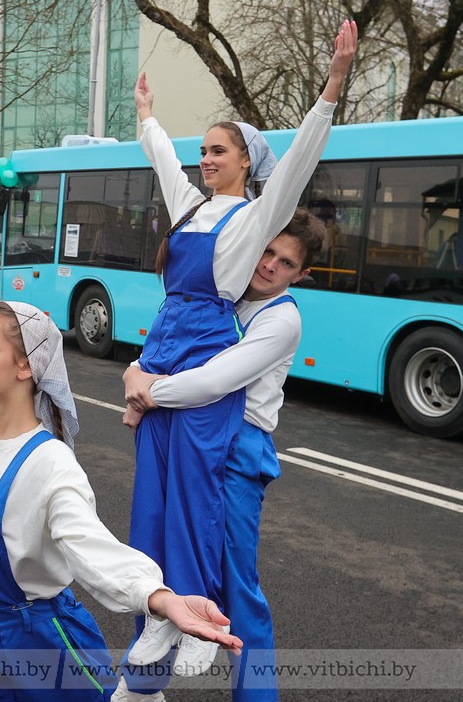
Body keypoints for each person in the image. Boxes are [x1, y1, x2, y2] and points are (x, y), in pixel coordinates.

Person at [122, 20, 357, 681]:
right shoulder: (189, 208)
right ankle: (159, 620)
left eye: (218, 150)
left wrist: (333, 84)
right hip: (166, 346)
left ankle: (202, 620)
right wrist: (146, 116)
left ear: (247, 161)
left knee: (195, 504)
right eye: (203, 149)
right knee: (153, 504)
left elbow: (301, 159)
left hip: (202, 352)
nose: (206, 158)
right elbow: (162, 160)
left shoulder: (256, 217)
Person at [0, 302, 242, 701]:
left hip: (43, 652)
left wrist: (159, 598)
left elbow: (92, 547)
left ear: (26, 366)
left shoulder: (50, 462)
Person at [116, 211, 326, 702]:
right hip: (186, 434)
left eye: (286, 262)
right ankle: (143, 688)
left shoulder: (282, 318)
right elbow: (164, 346)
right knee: (155, 562)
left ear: (301, 274)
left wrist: (144, 392)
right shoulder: (224, 293)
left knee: (237, 589)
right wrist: (134, 372)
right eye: (268, 251)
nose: (270, 265)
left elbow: (212, 382)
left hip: (236, 450)